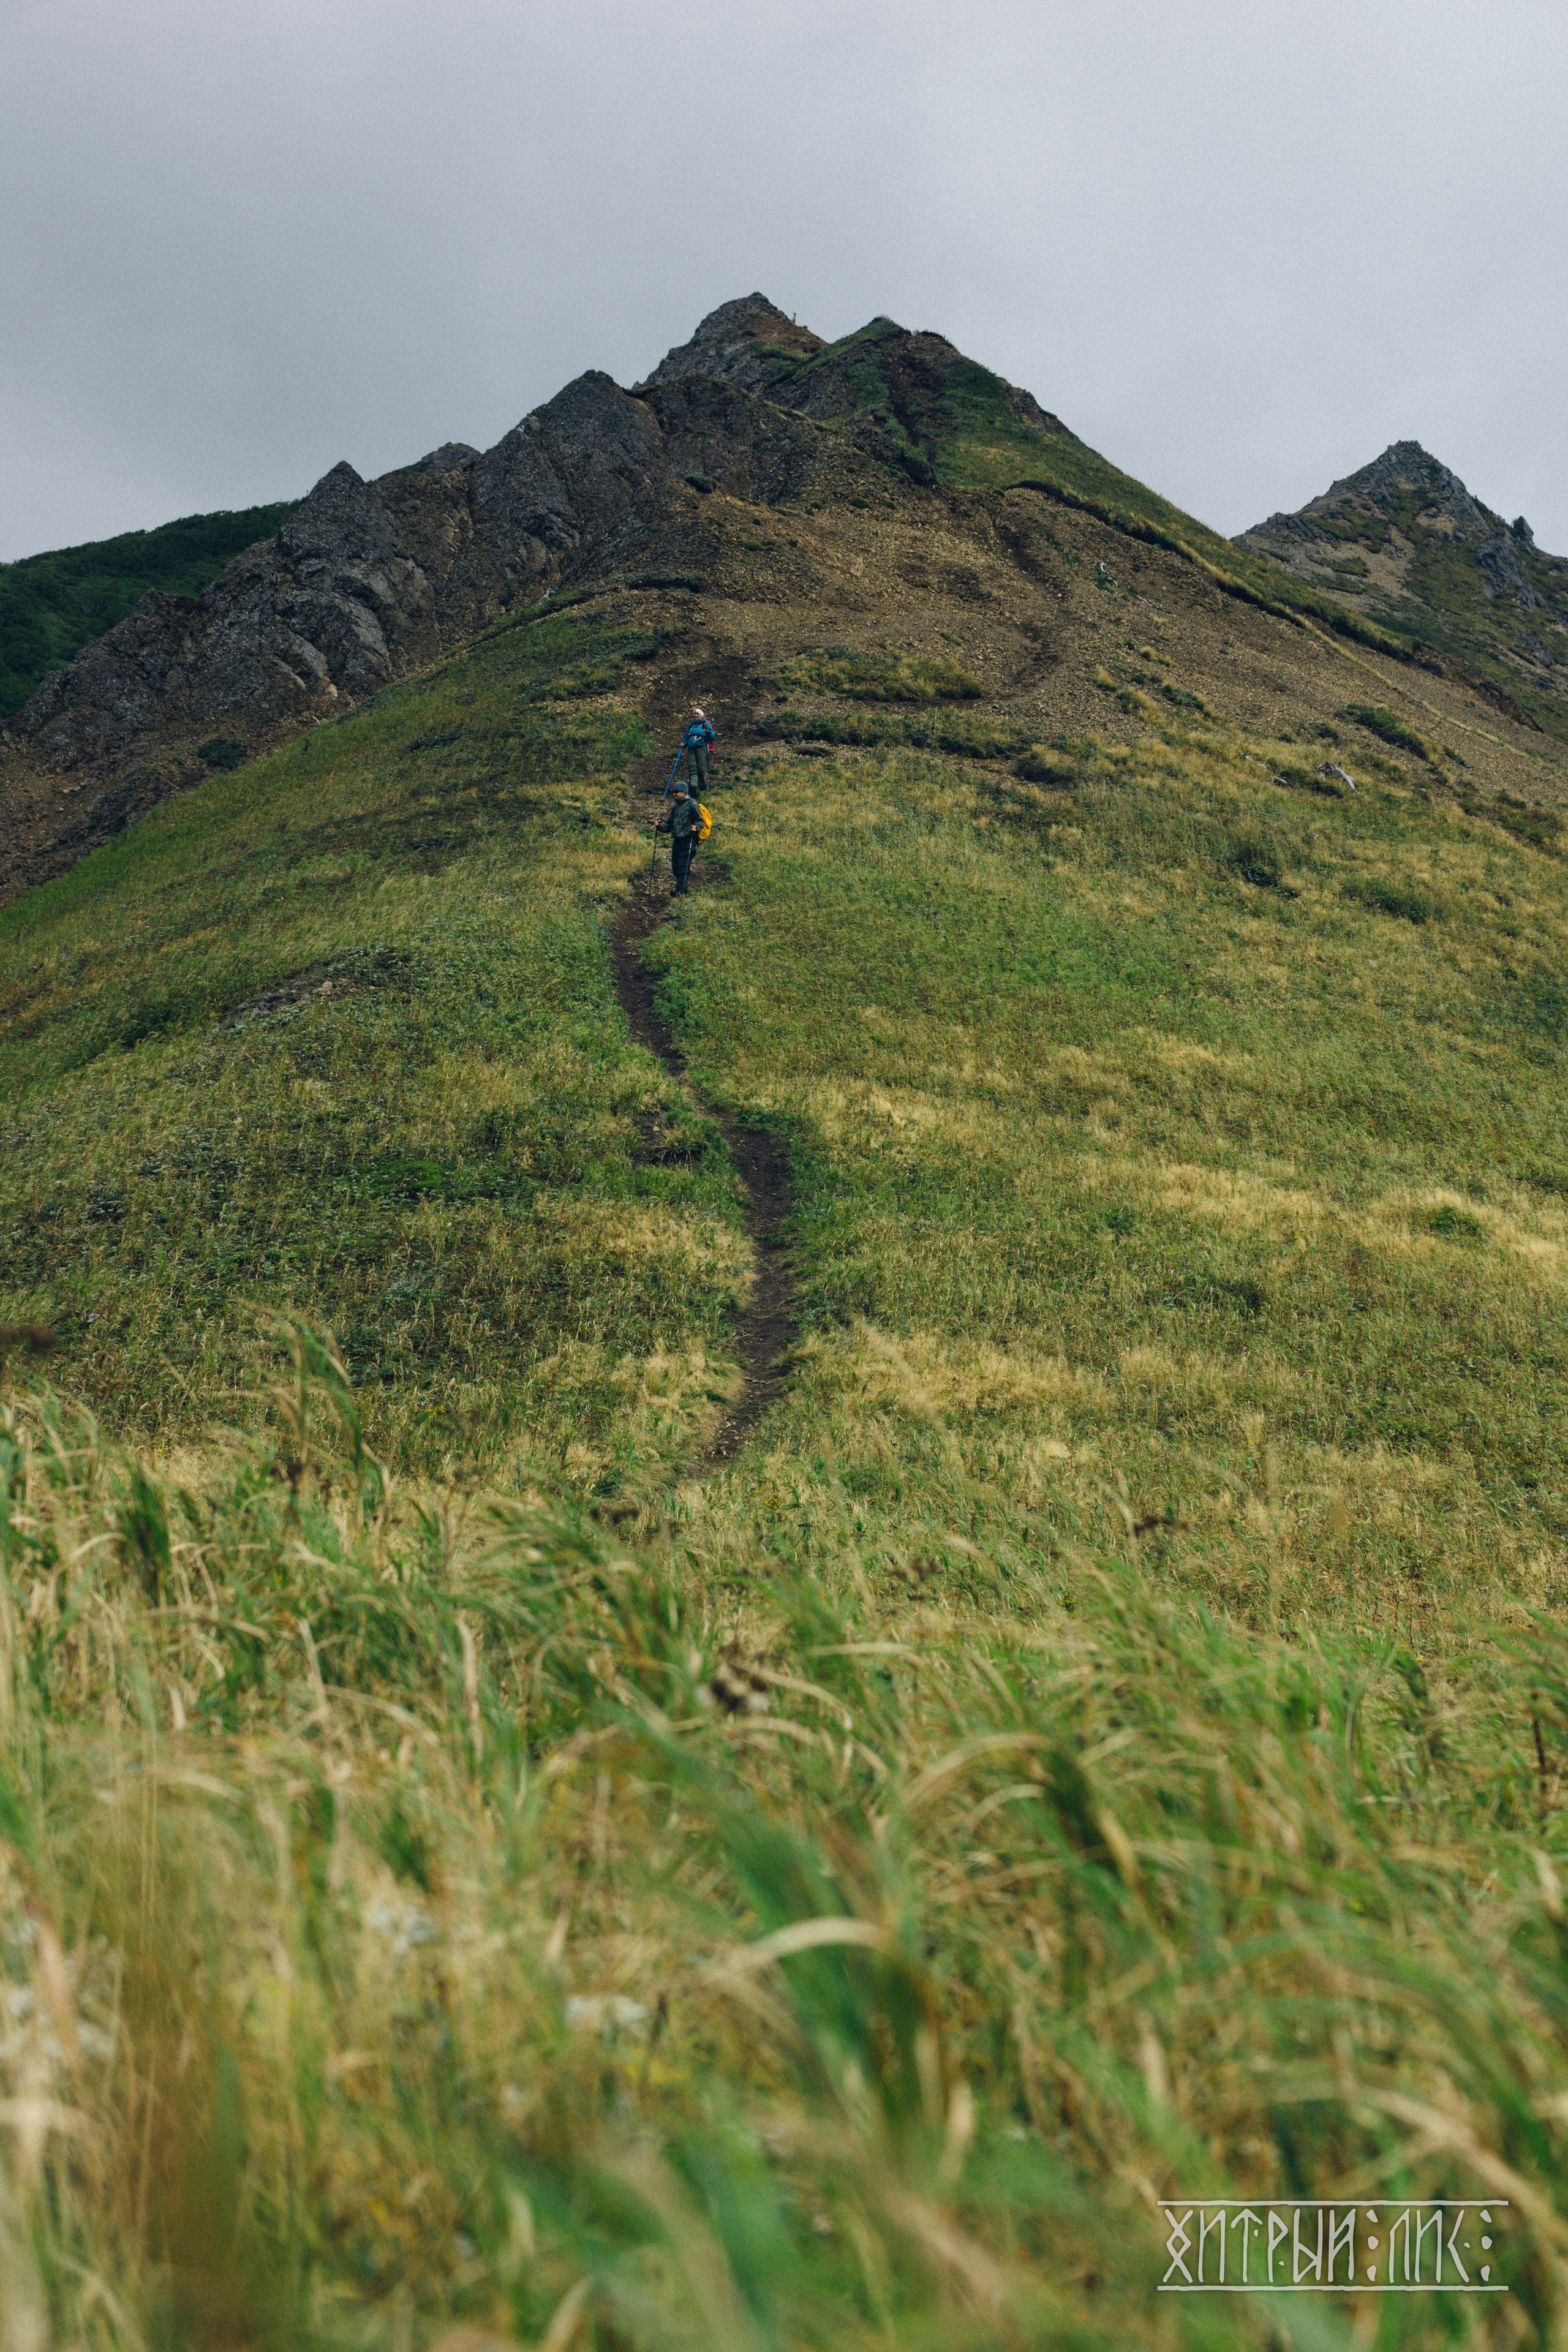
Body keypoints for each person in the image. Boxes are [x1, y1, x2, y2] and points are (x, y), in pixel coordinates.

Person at [655, 782, 704, 895]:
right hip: (677, 840)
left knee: (683, 866)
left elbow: (701, 822)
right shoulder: (675, 807)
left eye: (676, 792)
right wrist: (660, 826)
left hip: (689, 840)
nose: (674, 794)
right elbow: (670, 826)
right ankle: (682, 889)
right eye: (673, 792)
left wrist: (696, 828)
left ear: (684, 792)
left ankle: (680, 891)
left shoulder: (692, 805)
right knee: (676, 867)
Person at [683, 706, 716, 793]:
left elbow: (713, 737)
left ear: (701, 715)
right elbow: (686, 736)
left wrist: (709, 731)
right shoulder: (691, 725)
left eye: (697, 714)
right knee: (692, 766)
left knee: (701, 767)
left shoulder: (706, 724)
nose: (695, 716)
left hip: (702, 747)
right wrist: (683, 743)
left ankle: (703, 786)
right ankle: (693, 787)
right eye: (694, 714)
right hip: (691, 748)